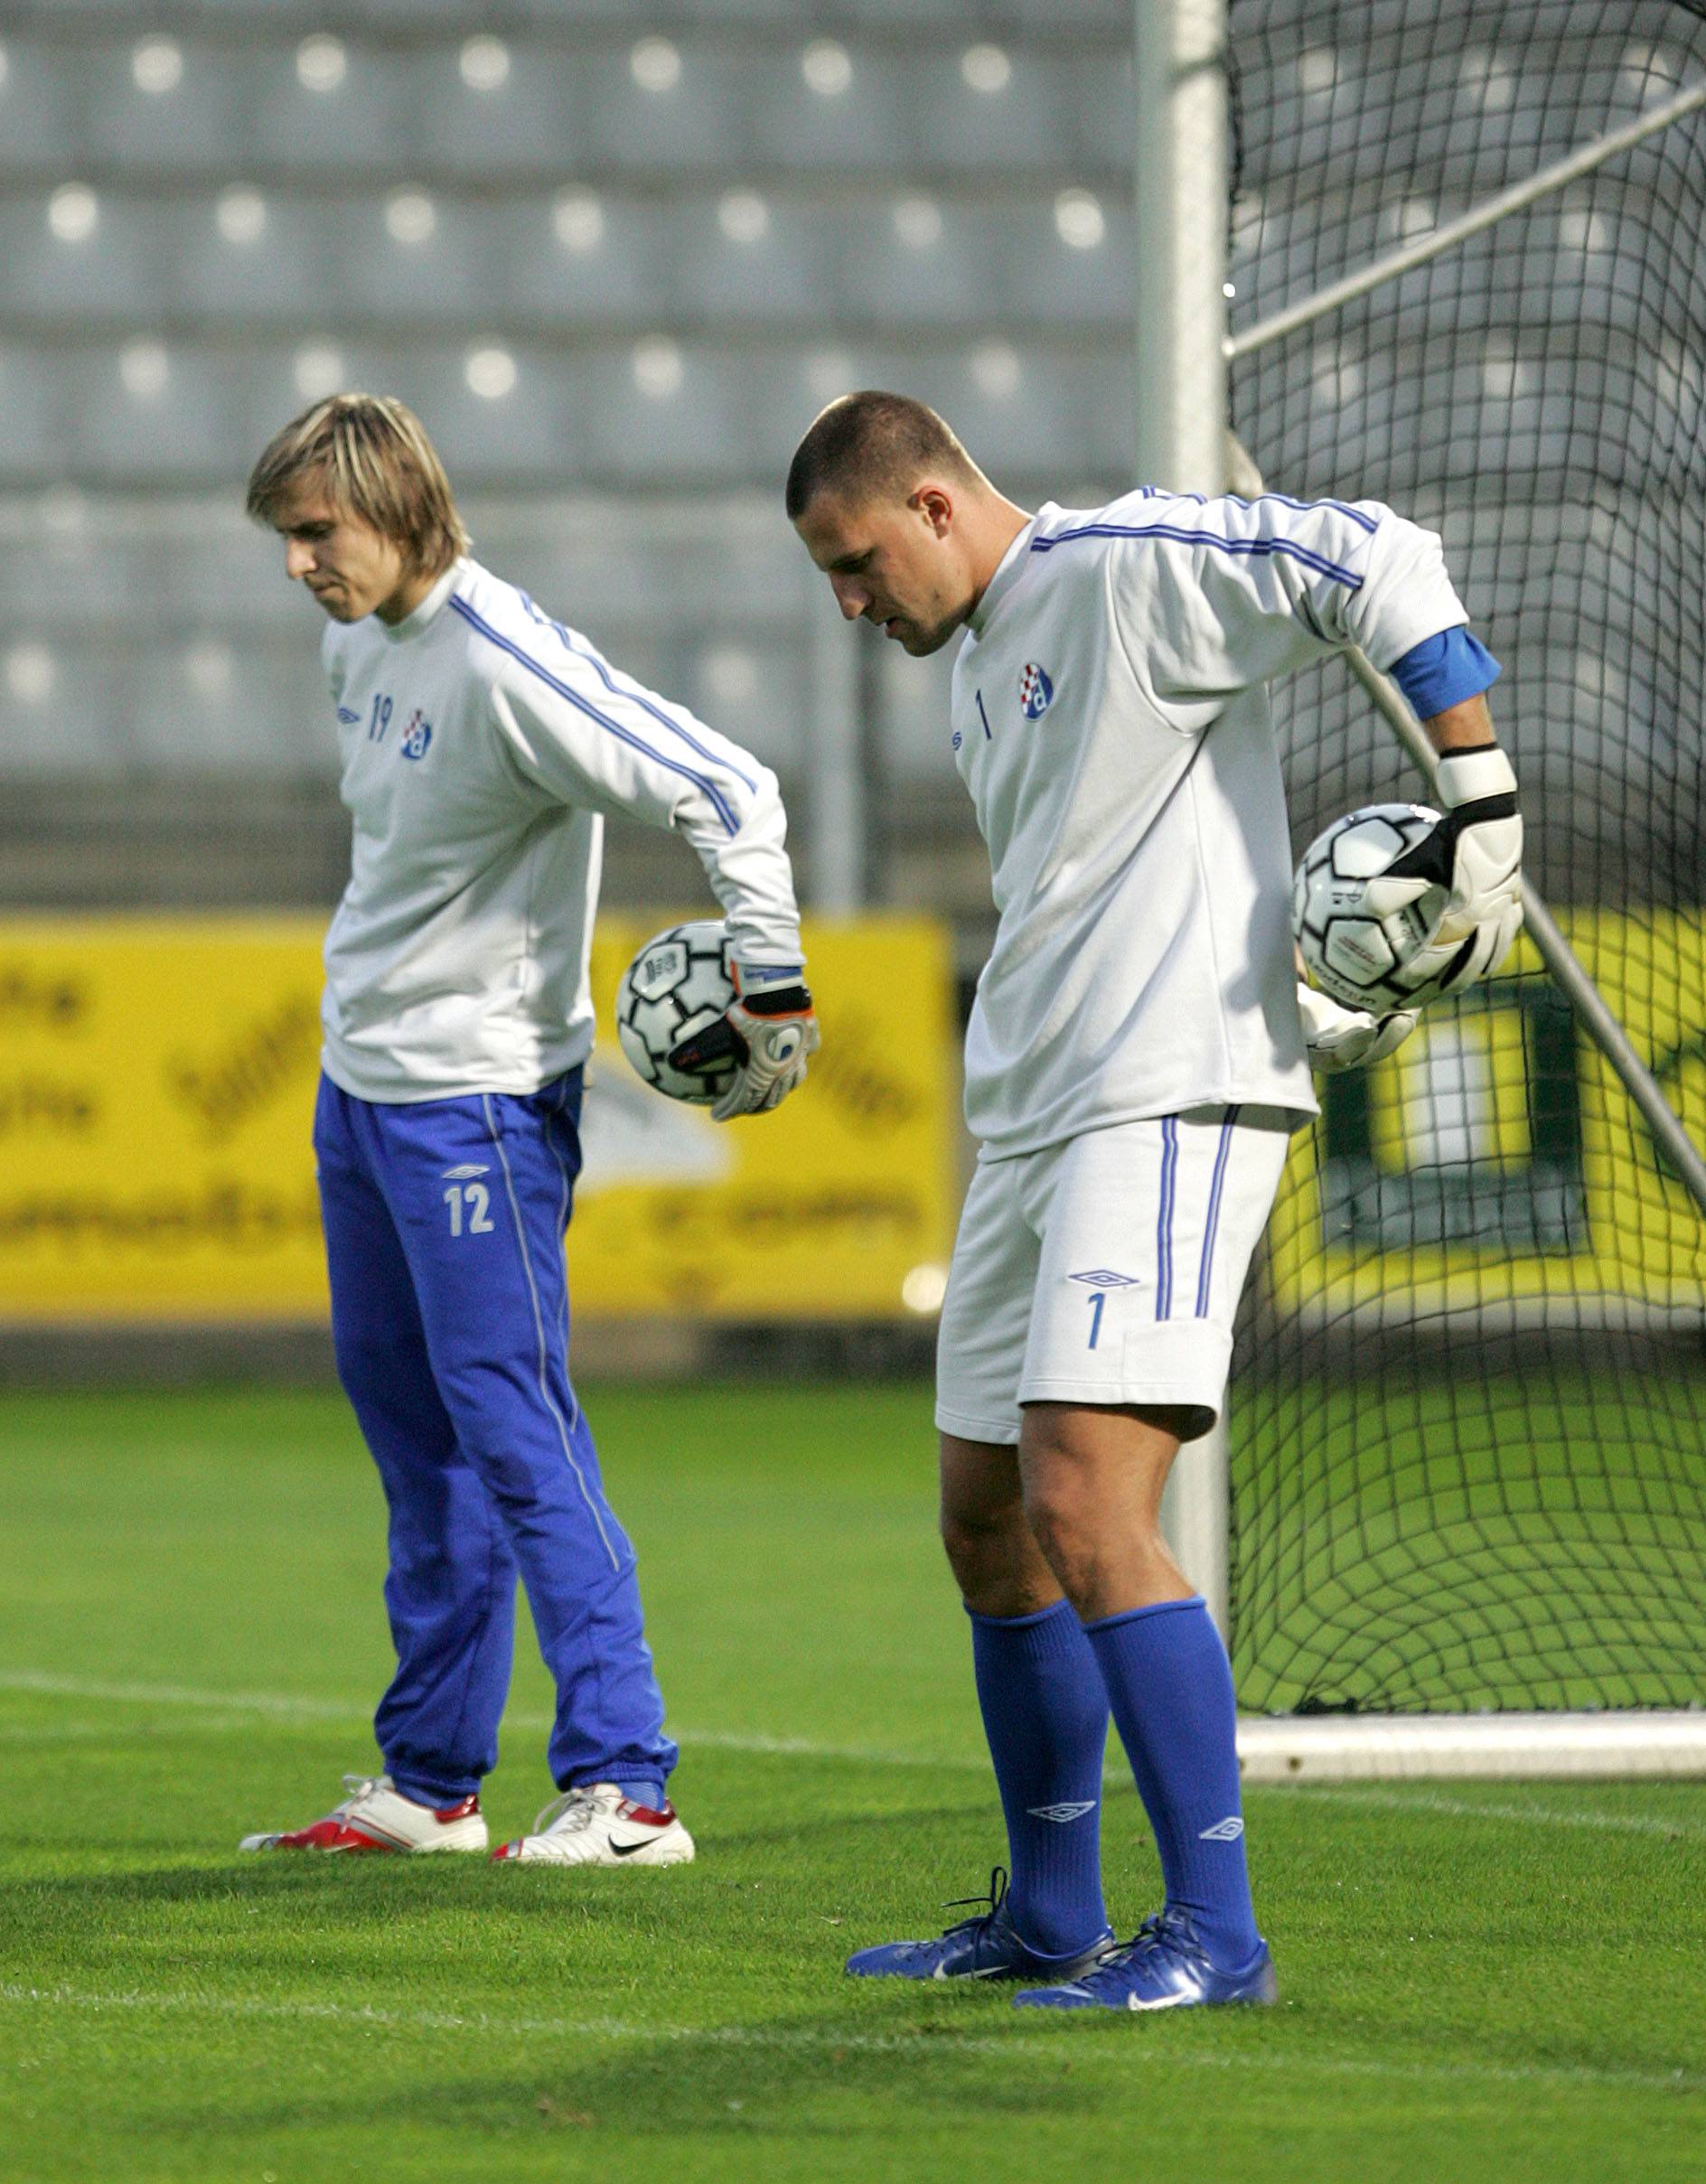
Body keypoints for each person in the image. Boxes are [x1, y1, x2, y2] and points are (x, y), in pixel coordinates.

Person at [786, 390, 1520, 2009]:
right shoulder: (982, 667)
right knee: (985, 1518)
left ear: (927, 503)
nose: (850, 604)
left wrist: (1484, 802)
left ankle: (1218, 1935)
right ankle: (1052, 1912)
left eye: (853, 564)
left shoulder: (1126, 566)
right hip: (1033, 1116)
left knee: (1087, 1501)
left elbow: (1376, 554)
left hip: (1166, 1100)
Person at [238, 393, 818, 1865]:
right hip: (357, 1089)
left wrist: (777, 982)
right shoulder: (352, 642)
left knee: (516, 1430)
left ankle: (629, 1783)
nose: (301, 562)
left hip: (479, 1105)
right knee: (413, 1436)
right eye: (290, 537)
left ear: (403, 508)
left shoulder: (509, 662)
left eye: (321, 531)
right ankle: (433, 1780)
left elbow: (730, 784)